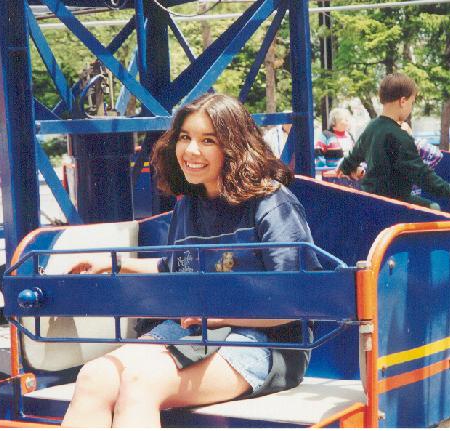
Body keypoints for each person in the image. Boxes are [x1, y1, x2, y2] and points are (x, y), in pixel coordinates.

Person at [61, 94, 319, 428]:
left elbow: (297, 299)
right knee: (94, 377)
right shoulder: (189, 205)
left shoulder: (271, 203)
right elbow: (174, 269)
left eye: (208, 140)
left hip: (264, 342)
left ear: (234, 146)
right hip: (196, 332)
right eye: (185, 137)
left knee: (140, 385)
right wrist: (116, 264)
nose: (191, 150)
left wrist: (218, 315)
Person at [335, 72, 450, 210]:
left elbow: (353, 156)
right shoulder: (400, 137)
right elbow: (422, 175)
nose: (411, 108)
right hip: (393, 203)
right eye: (412, 102)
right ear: (403, 101)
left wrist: (345, 167)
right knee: (434, 207)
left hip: (369, 197)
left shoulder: (372, 127)